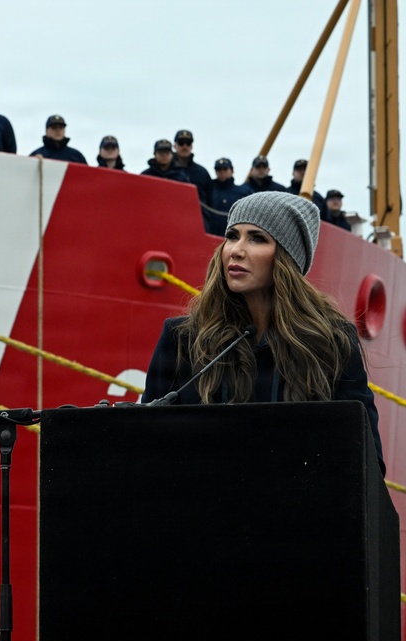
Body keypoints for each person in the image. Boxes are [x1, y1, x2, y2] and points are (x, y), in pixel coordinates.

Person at [141, 191, 383, 474]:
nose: (235, 250)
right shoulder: (182, 338)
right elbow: (146, 445)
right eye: (232, 235)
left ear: (287, 257)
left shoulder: (331, 342)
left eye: (257, 238)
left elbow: (367, 463)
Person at [172, 130, 212, 222]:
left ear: (192, 146)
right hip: (171, 219)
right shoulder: (166, 172)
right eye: (181, 143)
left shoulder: (202, 172)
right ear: (174, 146)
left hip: (197, 221)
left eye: (188, 143)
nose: (185, 146)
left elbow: (210, 200)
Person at [206, 158, 253, 236]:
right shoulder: (208, 190)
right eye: (219, 170)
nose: (222, 172)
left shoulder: (243, 192)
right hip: (211, 234)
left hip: (233, 236)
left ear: (232, 170)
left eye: (225, 169)